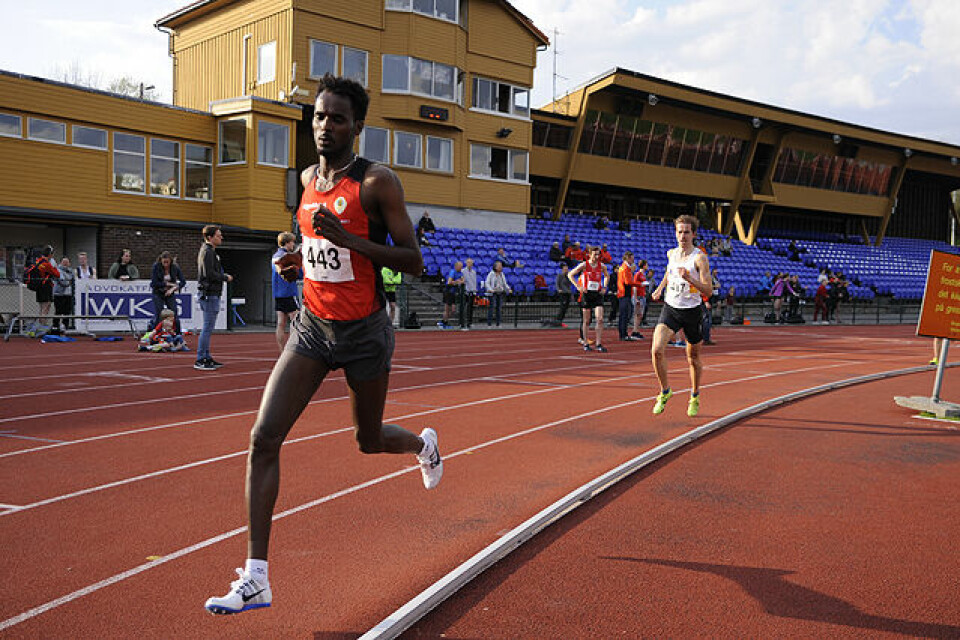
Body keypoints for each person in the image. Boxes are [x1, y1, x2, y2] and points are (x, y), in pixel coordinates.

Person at [205, 75, 441, 616]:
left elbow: (413, 260)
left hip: (364, 333)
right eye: (318, 116)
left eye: (337, 118)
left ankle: (422, 446)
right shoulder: (306, 178)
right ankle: (256, 578)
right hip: (313, 327)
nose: (324, 126)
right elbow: (317, 247)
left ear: (357, 127)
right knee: (263, 437)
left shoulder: (378, 183)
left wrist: (349, 240)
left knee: (367, 440)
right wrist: (301, 260)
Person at [650, 214, 713, 417]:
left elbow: (708, 290)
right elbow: (669, 273)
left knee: (692, 357)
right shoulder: (672, 253)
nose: (682, 236)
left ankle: (694, 395)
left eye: (686, 232)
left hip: (692, 312)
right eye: (679, 232)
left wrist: (690, 279)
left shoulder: (699, 258)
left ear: (693, 234)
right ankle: (665, 391)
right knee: (656, 350)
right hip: (671, 308)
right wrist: (660, 288)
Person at [195, 225, 233, 371]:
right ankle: (201, 358)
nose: (221, 237)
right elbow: (209, 274)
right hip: (209, 293)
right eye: (218, 235)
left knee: (208, 327)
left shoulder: (209, 251)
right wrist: (225, 277)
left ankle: (206, 355)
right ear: (210, 237)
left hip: (211, 293)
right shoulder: (208, 252)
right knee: (207, 327)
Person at [568, 245, 609, 352]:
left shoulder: (602, 266)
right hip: (587, 294)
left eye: (598, 254)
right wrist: (578, 286)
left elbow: (606, 276)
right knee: (586, 320)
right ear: (590, 255)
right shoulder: (584, 265)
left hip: (597, 294)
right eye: (595, 255)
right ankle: (585, 343)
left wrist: (604, 287)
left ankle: (598, 343)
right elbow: (570, 274)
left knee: (600, 319)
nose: (597, 257)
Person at [272, 232, 302, 351]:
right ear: (287, 243)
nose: (293, 244)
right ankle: (292, 350)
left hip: (278, 293)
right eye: (292, 242)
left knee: (280, 323)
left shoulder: (275, 256)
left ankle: (282, 351)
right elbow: (298, 274)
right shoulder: (288, 257)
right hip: (289, 292)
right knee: (296, 322)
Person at [24, 245, 60, 335]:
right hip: (46, 287)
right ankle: (41, 327)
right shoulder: (46, 264)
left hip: (39, 287)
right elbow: (57, 274)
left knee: (41, 308)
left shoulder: (38, 261)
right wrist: (54, 266)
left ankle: (40, 326)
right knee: (46, 307)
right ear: (50, 254)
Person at [150, 251, 187, 334]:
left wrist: (173, 289)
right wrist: (168, 284)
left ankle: (177, 335)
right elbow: (154, 283)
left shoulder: (175, 267)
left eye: (167, 262)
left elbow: (183, 282)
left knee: (174, 313)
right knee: (159, 314)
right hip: (158, 292)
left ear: (170, 261)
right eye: (164, 262)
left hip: (170, 293)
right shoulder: (156, 267)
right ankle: (156, 334)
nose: (166, 264)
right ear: (161, 260)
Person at [616, 251, 637, 341]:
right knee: (625, 314)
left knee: (625, 313)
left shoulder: (624, 268)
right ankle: (623, 333)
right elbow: (627, 282)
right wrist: (638, 284)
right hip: (624, 293)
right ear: (628, 258)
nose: (633, 260)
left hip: (624, 293)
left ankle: (623, 333)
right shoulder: (625, 268)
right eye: (632, 258)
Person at [51, 256, 75, 332]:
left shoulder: (71, 271)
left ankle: (65, 326)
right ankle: (55, 326)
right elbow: (63, 281)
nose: (65, 264)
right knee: (58, 311)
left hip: (69, 294)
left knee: (67, 311)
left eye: (67, 262)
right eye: (64, 262)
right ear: (60, 263)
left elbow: (73, 280)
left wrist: (69, 281)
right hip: (59, 294)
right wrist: (69, 281)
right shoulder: (57, 270)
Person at [485, 260, 511, 326]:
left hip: (500, 292)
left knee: (499, 308)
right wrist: (490, 289)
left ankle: (498, 322)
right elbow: (487, 283)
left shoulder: (502, 274)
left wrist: (508, 289)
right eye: (500, 266)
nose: (501, 267)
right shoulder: (491, 274)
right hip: (493, 293)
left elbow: (504, 283)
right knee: (492, 307)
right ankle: (489, 322)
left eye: (501, 266)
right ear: (495, 267)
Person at [440, 260, 464, 328]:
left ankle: (444, 321)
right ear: (456, 266)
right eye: (460, 267)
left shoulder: (460, 273)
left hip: (454, 293)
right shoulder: (453, 272)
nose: (461, 268)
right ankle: (444, 322)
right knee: (447, 309)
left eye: (461, 267)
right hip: (449, 292)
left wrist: (459, 281)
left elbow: (463, 281)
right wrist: (457, 282)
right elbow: (449, 282)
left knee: (453, 310)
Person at [461, 258, 478, 329]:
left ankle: (469, 322)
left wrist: (475, 290)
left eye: (471, 263)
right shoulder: (463, 271)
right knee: (464, 307)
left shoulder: (474, 272)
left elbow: (474, 281)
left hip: (472, 291)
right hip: (466, 291)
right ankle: (462, 322)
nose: (469, 264)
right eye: (468, 263)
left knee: (470, 308)